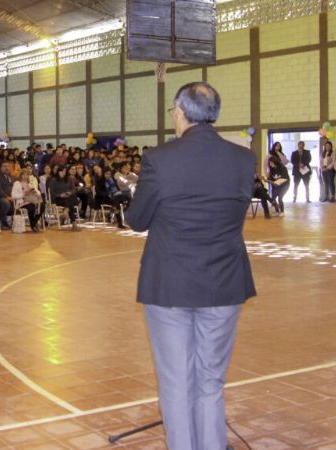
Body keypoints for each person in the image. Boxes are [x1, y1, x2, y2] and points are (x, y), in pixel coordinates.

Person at [125, 81, 256, 450]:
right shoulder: (243, 159)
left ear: (180, 113)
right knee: (211, 380)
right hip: (223, 282)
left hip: (170, 285)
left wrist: (138, 193)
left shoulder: (159, 159)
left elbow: (138, 219)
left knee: (176, 381)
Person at [48, 166, 81, 231]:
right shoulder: (53, 180)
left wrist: (70, 193)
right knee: (71, 201)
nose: (63, 173)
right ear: (58, 172)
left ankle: (66, 211)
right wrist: (60, 195)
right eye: (62, 171)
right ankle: (74, 224)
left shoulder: (69, 179)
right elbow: (51, 192)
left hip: (68, 197)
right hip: (59, 199)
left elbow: (74, 189)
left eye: (65, 171)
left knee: (70, 198)